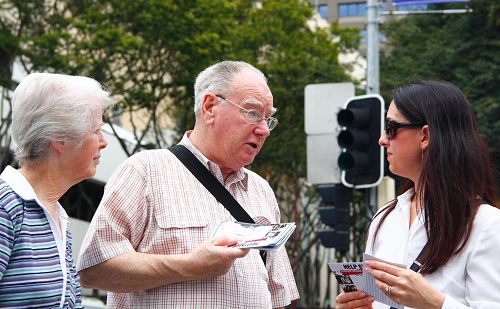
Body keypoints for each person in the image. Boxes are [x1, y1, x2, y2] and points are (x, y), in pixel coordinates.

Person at [77, 60, 299, 308]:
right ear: (209, 106)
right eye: (253, 113)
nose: (264, 130)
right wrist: (191, 266)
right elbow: (93, 269)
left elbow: (278, 299)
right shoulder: (145, 171)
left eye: (268, 119)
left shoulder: (262, 191)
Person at [336, 80, 500, 309]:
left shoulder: (486, 225)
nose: (382, 139)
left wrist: (435, 303)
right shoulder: (385, 217)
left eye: (391, 128)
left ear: (425, 136)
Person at [0, 73, 113, 307]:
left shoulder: (56, 213)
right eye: (95, 130)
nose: (103, 141)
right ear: (59, 139)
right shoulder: (6, 207)